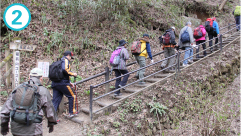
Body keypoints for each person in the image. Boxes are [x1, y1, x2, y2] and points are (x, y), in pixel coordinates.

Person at [0, 68, 57, 136]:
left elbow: (5, 110)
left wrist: (4, 125)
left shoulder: (18, 88)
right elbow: (49, 110)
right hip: (34, 130)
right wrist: (51, 123)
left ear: (29, 77)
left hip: (16, 129)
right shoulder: (43, 91)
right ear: (41, 78)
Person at [51, 51, 77, 118]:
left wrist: (69, 82)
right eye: (71, 57)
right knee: (72, 96)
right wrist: (73, 73)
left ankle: (52, 117)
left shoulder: (59, 61)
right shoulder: (65, 60)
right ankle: (72, 112)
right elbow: (65, 70)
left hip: (55, 83)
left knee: (55, 100)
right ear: (68, 55)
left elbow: (61, 74)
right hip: (62, 84)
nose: (70, 59)